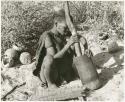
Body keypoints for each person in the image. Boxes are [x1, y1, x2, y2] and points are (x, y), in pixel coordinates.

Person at [33, 9, 90, 89]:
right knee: (48, 58)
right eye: (65, 27)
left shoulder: (63, 32)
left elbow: (80, 38)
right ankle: (51, 84)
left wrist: (86, 48)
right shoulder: (48, 36)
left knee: (73, 45)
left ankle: (67, 76)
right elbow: (53, 58)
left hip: (62, 71)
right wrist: (68, 45)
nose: (67, 30)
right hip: (51, 74)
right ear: (56, 24)